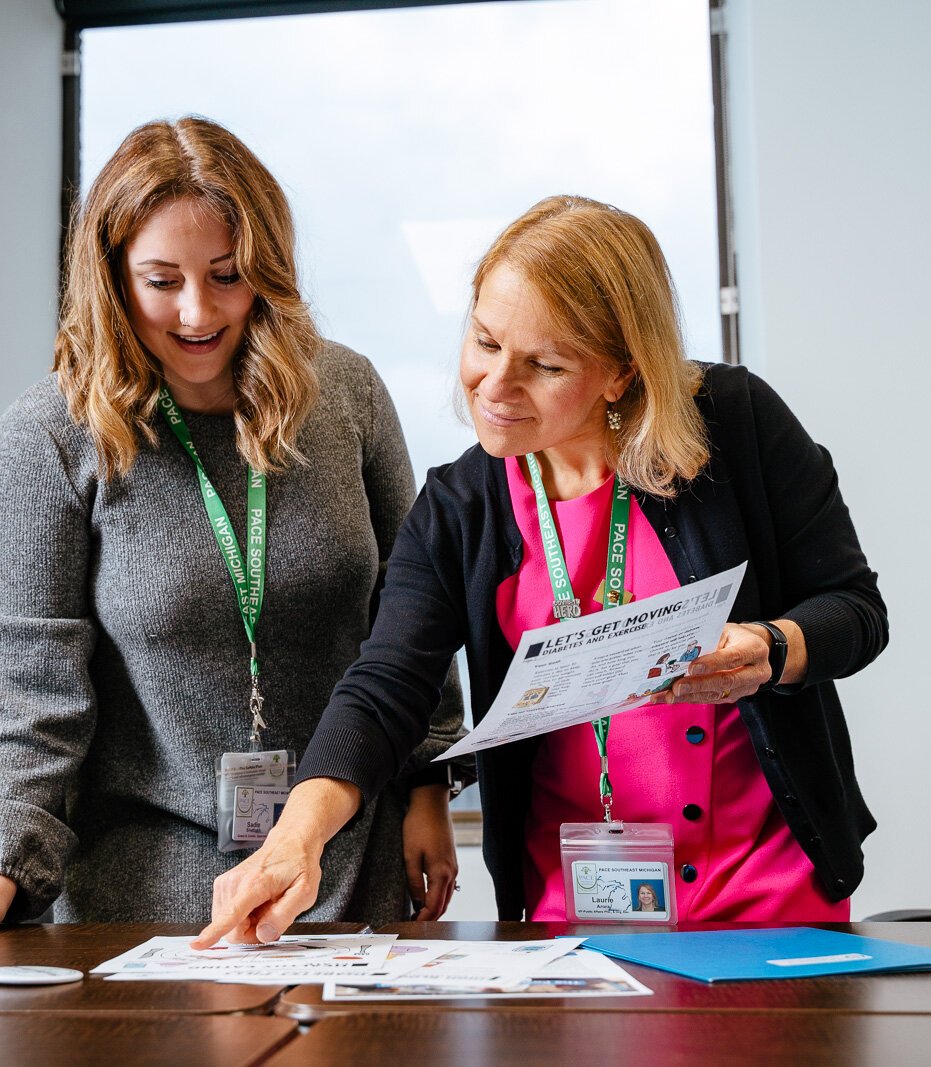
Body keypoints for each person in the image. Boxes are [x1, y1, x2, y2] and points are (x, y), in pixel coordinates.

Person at [0, 117, 464, 941]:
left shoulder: (347, 395)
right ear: (111, 276)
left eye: (227, 275)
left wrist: (427, 791)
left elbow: (410, 618)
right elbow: (25, 688)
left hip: (345, 867)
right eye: (162, 281)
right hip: (146, 902)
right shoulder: (50, 437)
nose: (197, 311)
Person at [197, 195, 887, 947]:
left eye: (545, 364)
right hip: (573, 917)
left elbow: (855, 609)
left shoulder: (735, 422)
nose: (494, 385)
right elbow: (385, 687)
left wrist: (771, 645)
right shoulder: (461, 504)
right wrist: (298, 835)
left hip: (770, 890)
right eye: (485, 341)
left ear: (621, 372)